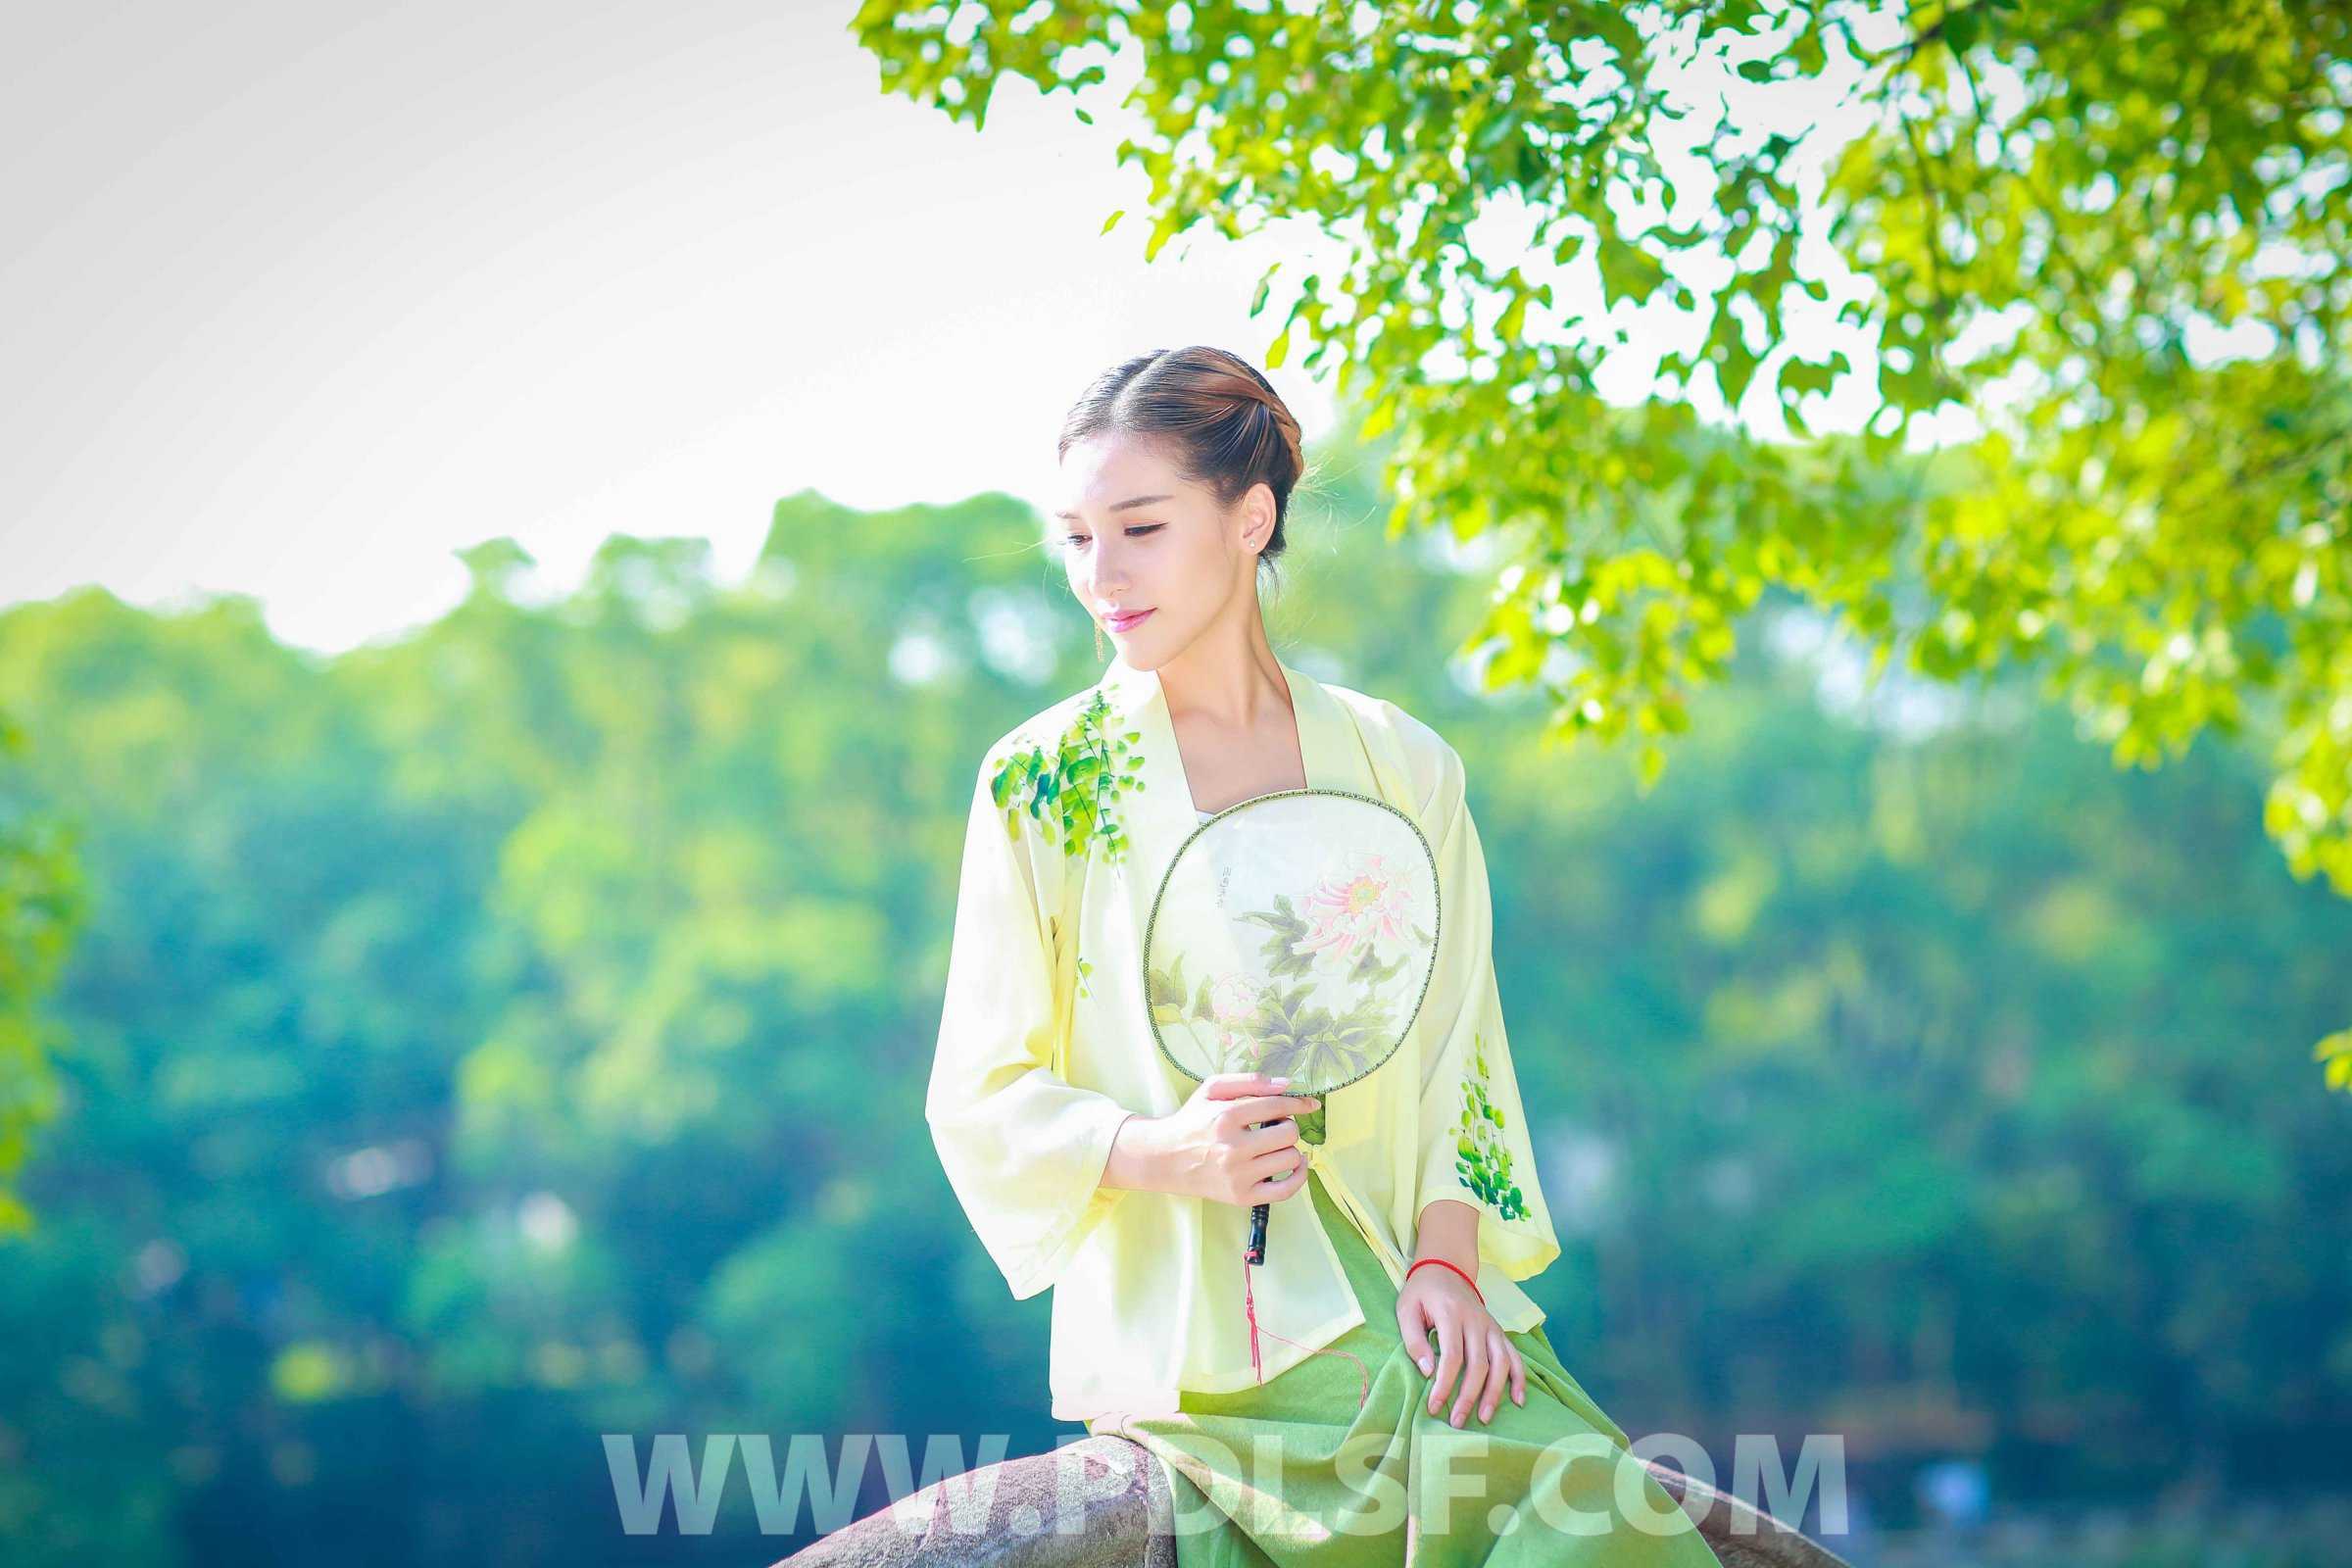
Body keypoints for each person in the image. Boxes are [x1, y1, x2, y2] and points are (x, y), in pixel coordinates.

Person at [927, 345, 1721, 1566]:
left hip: (1415, 1294)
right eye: (1077, 539)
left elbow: (1459, 1048)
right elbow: (980, 1092)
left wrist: (1448, 1262)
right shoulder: (1044, 780)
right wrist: (1163, 1149)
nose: (1102, 576)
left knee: (1601, 1516)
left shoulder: (1405, 763)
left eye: (1140, 528)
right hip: (1204, 1340)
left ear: (1250, 519)